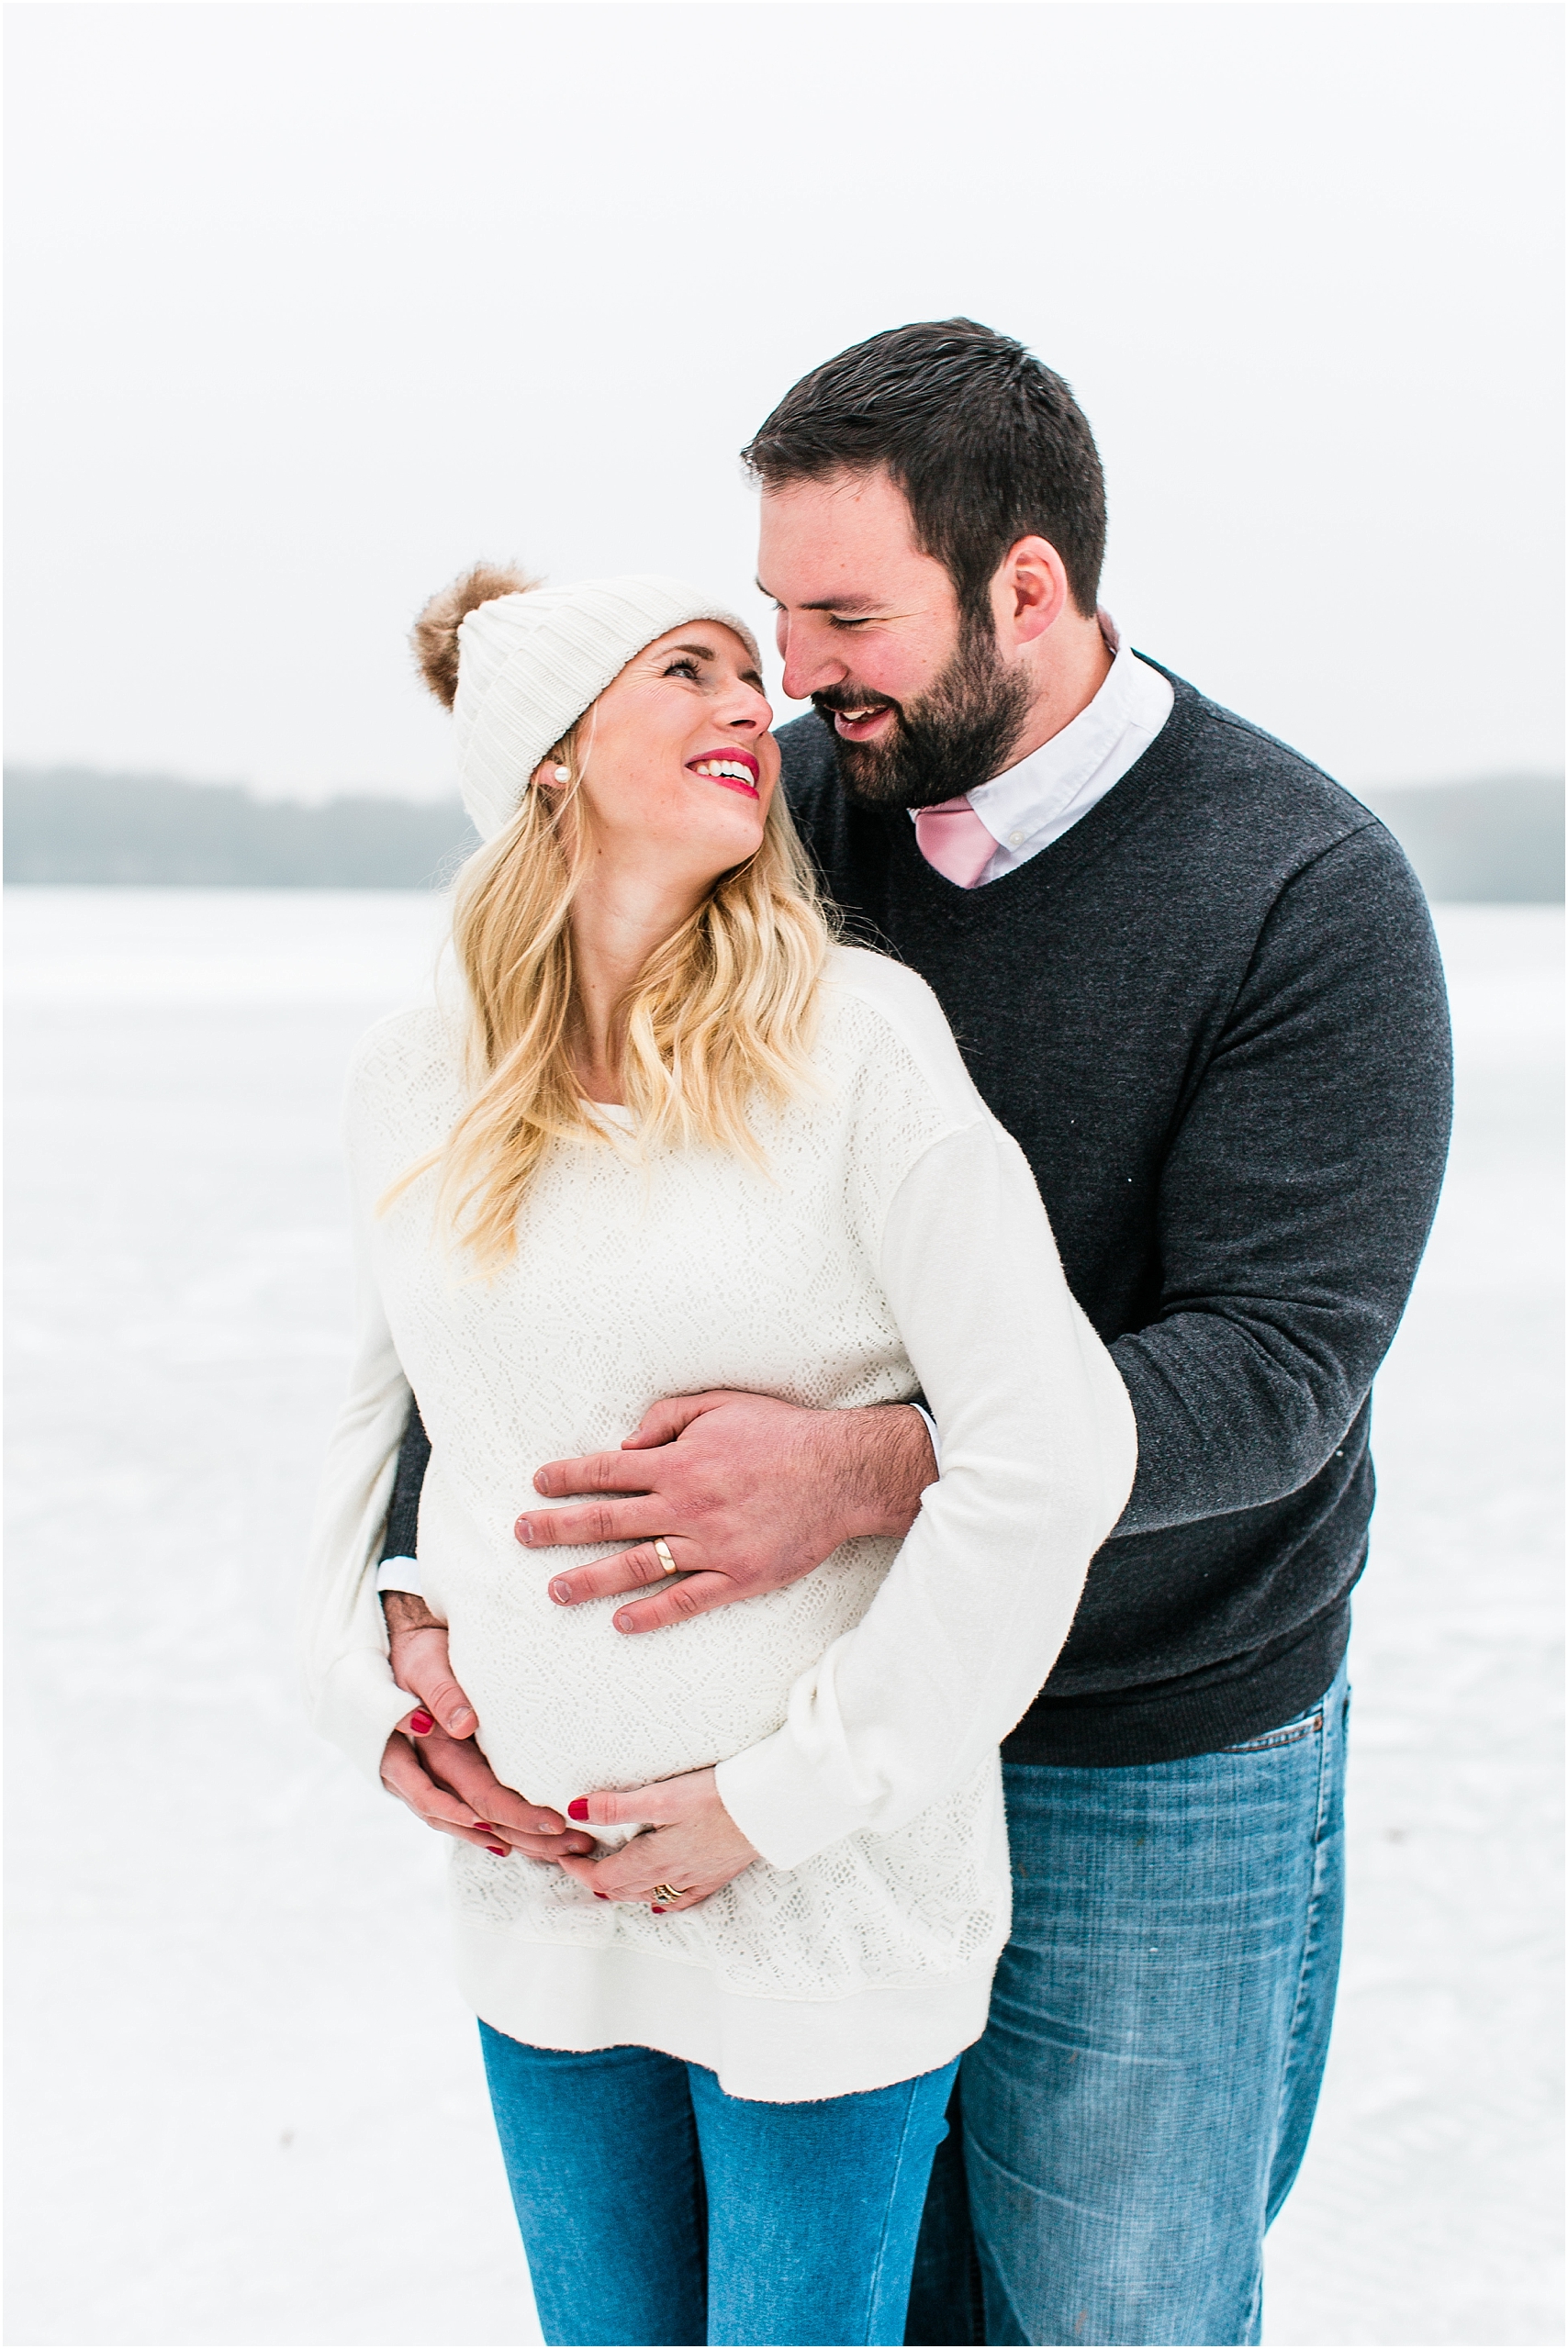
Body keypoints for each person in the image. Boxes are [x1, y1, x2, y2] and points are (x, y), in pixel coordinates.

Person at [379, 322, 1454, 2347]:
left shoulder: (1300, 890)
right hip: (802, 1720)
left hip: (1144, 1728)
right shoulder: (776, 814)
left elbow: (1277, 1373)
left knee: (1110, 2302)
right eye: (770, 611)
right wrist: (426, 1595)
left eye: (844, 615)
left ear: (1024, 590)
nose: (792, 672)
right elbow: (536, 1216)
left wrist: (863, 1466)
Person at [300, 561, 1137, 2348]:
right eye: (681, 668)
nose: (741, 708)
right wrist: (373, 1679)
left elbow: (1046, 1454)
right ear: (546, 756)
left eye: (742, 670)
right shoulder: (413, 1076)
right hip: (542, 1888)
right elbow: (370, 1418)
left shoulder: (851, 1045)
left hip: (826, 1896)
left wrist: (776, 1801)